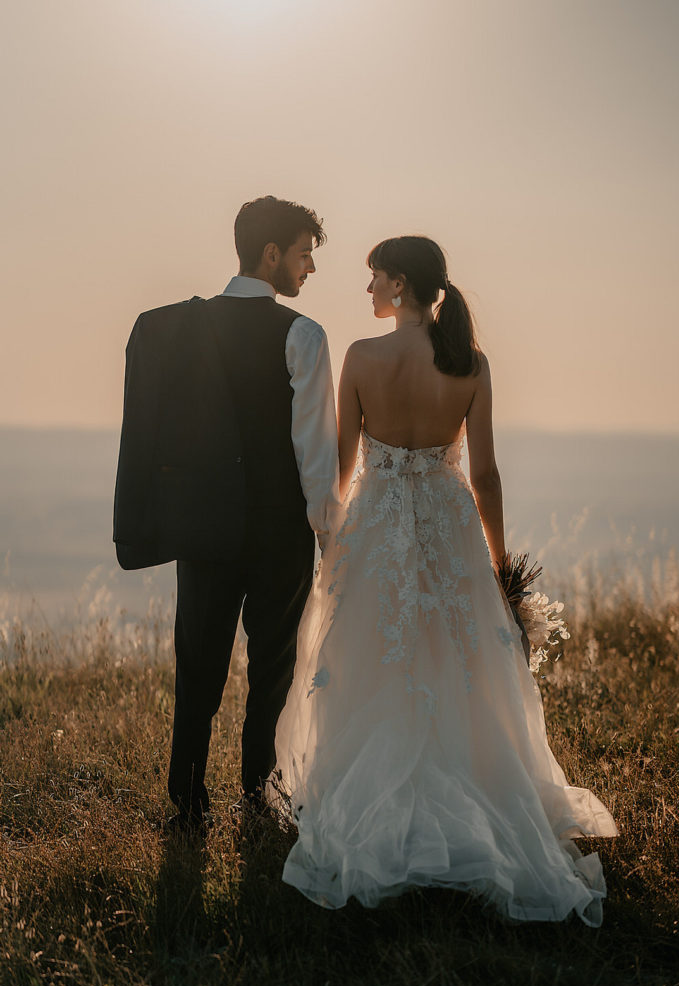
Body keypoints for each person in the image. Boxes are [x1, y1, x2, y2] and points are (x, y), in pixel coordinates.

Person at [270, 235, 618, 925]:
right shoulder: (470, 361)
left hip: (376, 529)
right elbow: (484, 474)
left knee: (377, 662)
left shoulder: (363, 358)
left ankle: (377, 813)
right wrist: (496, 560)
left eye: (373, 278)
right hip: (450, 524)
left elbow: (339, 471)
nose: (366, 290)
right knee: (456, 663)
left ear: (398, 284)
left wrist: (330, 545)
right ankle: (474, 798)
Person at [114, 196, 339, 831]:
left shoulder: (177, 329)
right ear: (272, 255)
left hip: (204, 528)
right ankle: (256, 798)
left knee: (199, 664)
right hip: (279, 531)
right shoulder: (304, 334)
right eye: (303, 255)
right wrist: (331, 537)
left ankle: (185, 801)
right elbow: (314, 454)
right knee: (272, 669)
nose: (309, 270)